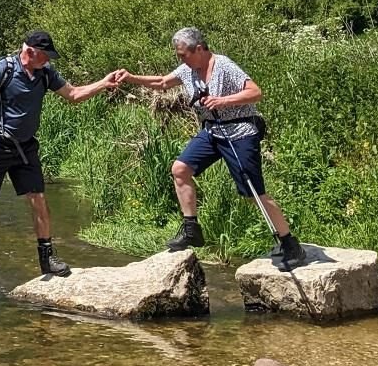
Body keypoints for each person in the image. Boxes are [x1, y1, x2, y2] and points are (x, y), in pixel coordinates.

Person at [110, 27, 308, 270]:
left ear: (200, 49)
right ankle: (191, 228)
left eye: (183, 54)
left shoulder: (223, 65)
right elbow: (162, 82)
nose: (180, 59)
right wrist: (130, 77)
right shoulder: (188, 68)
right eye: (178, 55)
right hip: (213, 131)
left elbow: (255, 92)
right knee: (180, 169)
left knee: (252, 193)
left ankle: (290, 244)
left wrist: (223, 100)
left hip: (240, 131)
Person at [0, 29, 118, 277]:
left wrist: (104, 82)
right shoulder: (4, 69)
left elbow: (73, 95)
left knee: (38, 200)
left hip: (26, 148)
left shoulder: (45, 73)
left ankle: (48, 258)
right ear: (30, 52)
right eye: (45, 55)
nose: (48, 60)